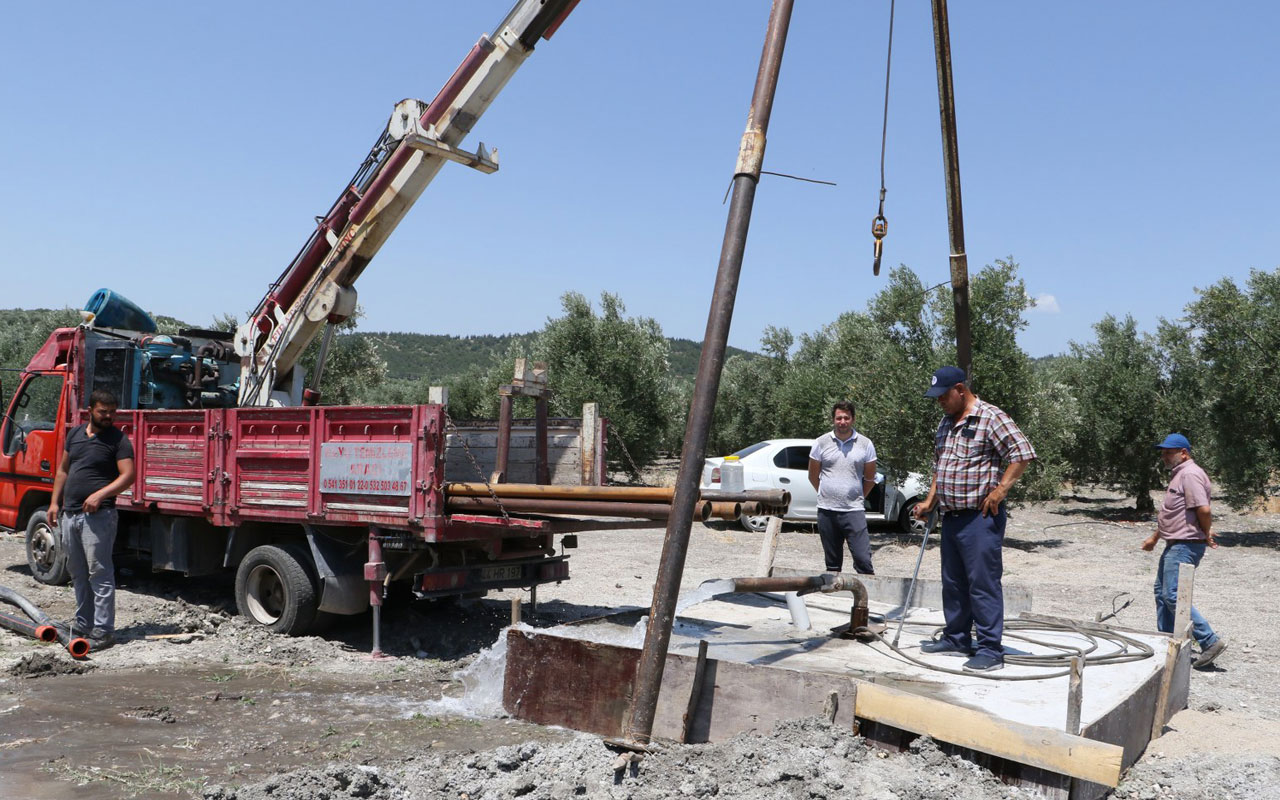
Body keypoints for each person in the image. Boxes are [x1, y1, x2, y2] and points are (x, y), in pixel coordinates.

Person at [913, 367, 1036, 673]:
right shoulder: (945, 422)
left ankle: (989, 648)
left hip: (980, 517)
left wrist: (1000, 490)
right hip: (951, 517)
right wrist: (931, 501)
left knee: (982, 584)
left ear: (960, 389)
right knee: (953, 582)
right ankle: (956, 638)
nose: (939, 401)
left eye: (943, 395)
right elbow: (941, 467)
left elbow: (1022, 453)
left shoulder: (990, 416)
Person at [48, 389, 135, 650]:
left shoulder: (118, 440)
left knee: (100, 572)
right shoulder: (74, 435)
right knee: (77, 571)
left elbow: (128, 476)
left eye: (112, 412)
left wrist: (100, 494)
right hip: (70, 514)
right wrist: (54, 503)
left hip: (99, 516)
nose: (108, 416)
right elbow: (63, 470)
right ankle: (83, 624)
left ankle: (104, 630)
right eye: (103, 412)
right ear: (90, 411)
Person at [1143, 433, 1227, 669]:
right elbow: (1175, 514)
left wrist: (1207, 532)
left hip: (1185, 544)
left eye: (1168, 452)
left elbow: (1203, 509)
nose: (1164, 456)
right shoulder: (1180, 474)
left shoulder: (1190, 474)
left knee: (1171, 594)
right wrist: (1154, 538)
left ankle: (1209, 640)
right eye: (1163, 452)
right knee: (1162, 592)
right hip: (1175, 543)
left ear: (1184, 453)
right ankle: (1168, 641)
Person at [808, 401, 878, 575]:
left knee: (863, 559)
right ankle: (835, 597)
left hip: (853, 510)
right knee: (832, 563)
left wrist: (859, 496)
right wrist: (825, 492)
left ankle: (866, 597)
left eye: (846, 418)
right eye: (839, 418)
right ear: (833, 420)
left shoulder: (865, 444)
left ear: (853, 419)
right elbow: (812, 475)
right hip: (827, 510)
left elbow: (870, 478)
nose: (842, 421)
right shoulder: (821, 443)